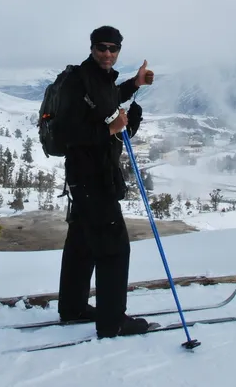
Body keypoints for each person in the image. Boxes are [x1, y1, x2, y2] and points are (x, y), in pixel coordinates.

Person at [55, 25, 155, 339]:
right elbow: (65, 133)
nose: (107, 54)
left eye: (113, 49)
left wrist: (134, 84)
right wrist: (109, 131)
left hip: (89, 176)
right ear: (92, 48)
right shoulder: (78, 81)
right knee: (114, 248)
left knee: (83, 244)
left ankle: (73, 309)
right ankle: (112, 322)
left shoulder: (98, 80)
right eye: (102, 48)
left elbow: (107, 99)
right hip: (92, 177)